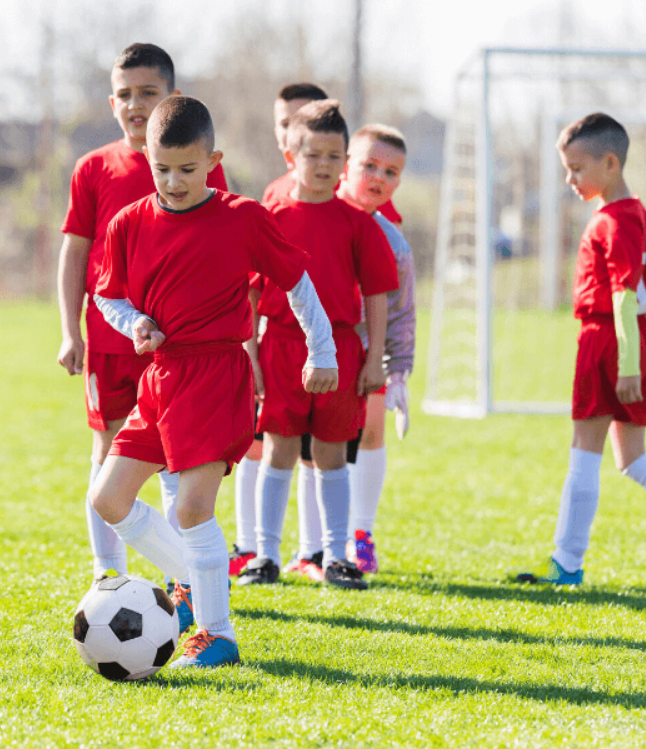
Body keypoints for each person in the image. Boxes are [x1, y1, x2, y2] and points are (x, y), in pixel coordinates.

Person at [89, 95, 337, 667]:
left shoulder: (241, 216)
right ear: (146, 157)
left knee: (193, 509)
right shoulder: (129, 223)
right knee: (108, 498)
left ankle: (217, 633)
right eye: (161, 168)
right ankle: (192, 583)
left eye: (187, 169)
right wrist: (137, 322)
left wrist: (321, 351)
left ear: (213, 159)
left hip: (217, 374)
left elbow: (299, 281)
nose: (173, 182)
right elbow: (106, 294)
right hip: (161, 377)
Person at [57, 43, 227, 587]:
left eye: (148, 93)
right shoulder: (94, 168)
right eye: (125, 94)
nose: (136, 104)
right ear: (112, 101)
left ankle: (186, 575)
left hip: (182, 347)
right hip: (110, 341)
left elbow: (228, 255)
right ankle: (109, 574)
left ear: (172, 98)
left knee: (181, 455)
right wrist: (69, 330)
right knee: (109, 451)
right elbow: (75, 253)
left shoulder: (200, 171)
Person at [515, 112, 646, 585]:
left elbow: (624, 296)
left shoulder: (615, 221)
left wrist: (626, 364)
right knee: (632, 460)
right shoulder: (639, 214)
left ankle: (566, 564)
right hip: (631, 340)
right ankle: (566, 562)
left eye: (576, 168)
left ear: (610, 163)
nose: (569, 179)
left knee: (584, 451)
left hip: (612, 339)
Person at [237, 100, 399, 590]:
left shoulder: (357, 222)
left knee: (331, 456)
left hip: (343, 355)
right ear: (292, 154)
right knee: (279, 451)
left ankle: (334, 556)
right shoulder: (270, 216)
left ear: (345, 160)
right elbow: (248, 290)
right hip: (281, 347)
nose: (325, 165)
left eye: (335, 156)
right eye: (314, 155)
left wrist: (374, 361)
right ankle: (264, 555)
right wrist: (251, 357)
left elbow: (376, 293)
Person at [338, 124, 416, 573]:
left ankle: (361, 534)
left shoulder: (395, 243)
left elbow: (403, 314)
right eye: (369, 165)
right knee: (313, 451)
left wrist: (399, 372)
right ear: (348, 164)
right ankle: (311, 544)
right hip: (312, 355)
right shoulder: (316, 218)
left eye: (390, 171)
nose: (378, 176)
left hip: (369, 360)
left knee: (370, 432)